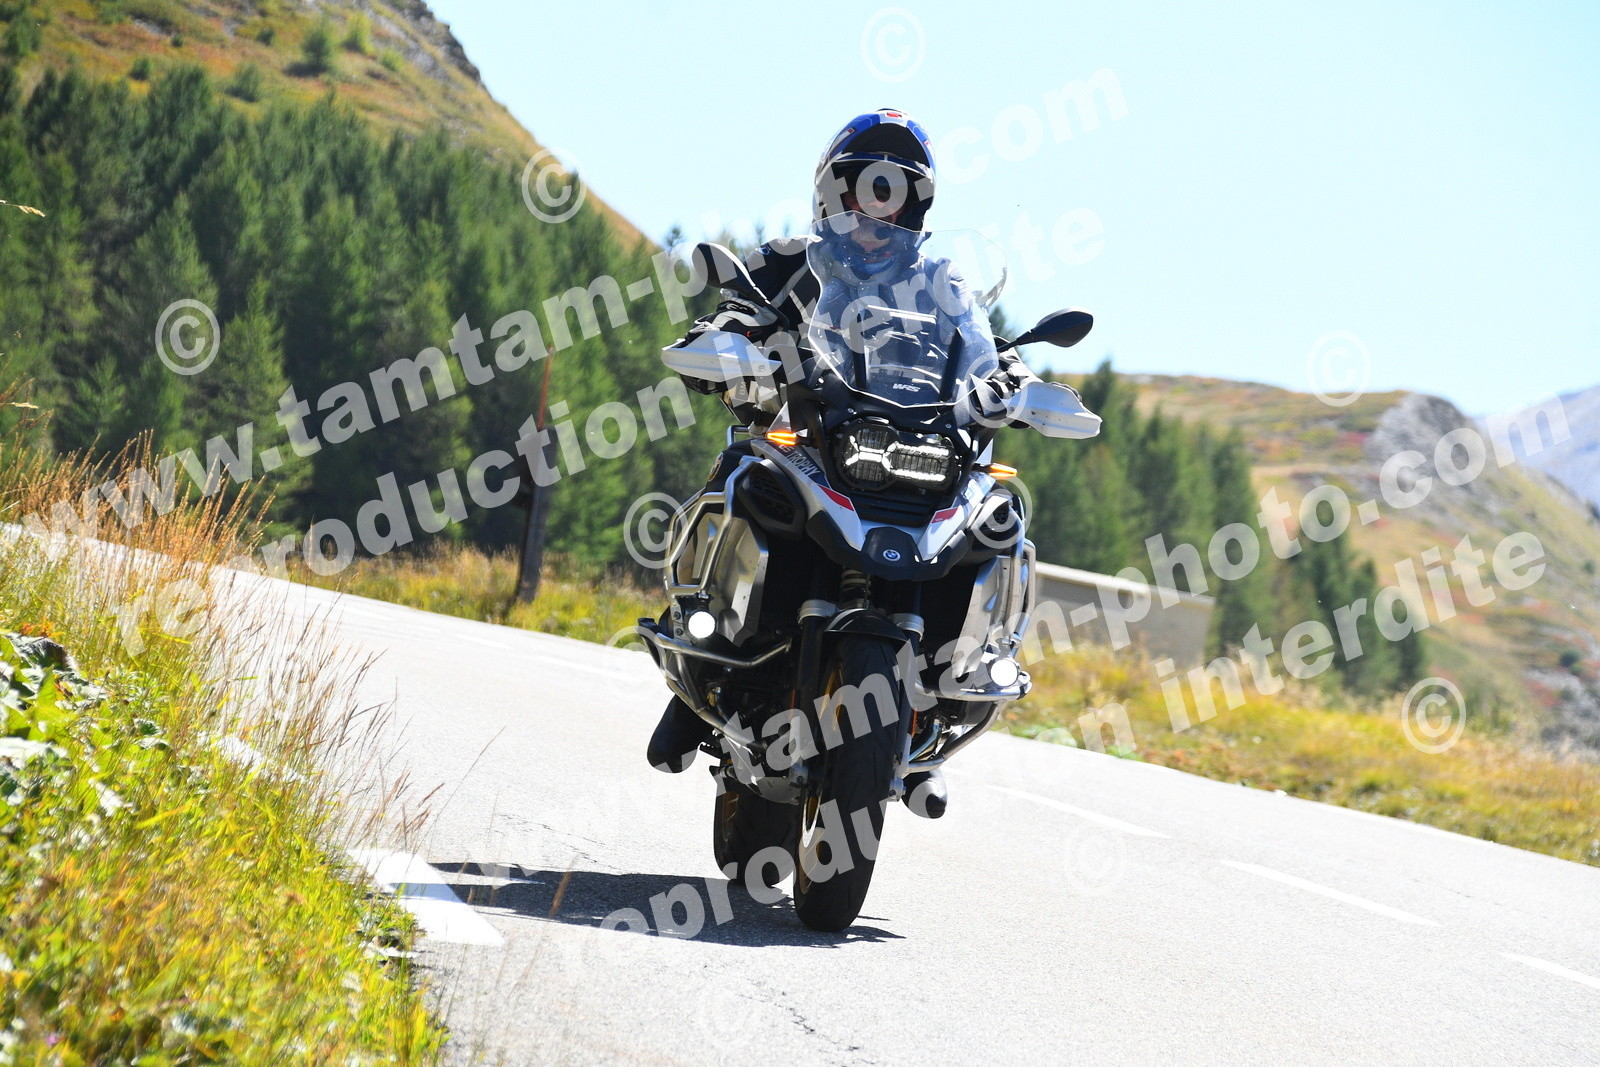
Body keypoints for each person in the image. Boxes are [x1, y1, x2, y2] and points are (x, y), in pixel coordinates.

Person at [646, 109, 1041, 820]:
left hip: (918, 455)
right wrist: (728, 343)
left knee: (994, 514)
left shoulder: (943, 282)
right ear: (834, 190)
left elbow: (985, 350)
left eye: (895, 192)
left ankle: (934, 703)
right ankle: (702, 650)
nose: (876, 207)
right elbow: (735, 312)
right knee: (741, 471)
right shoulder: (788, 261)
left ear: (917, 205)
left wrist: (1014, 383)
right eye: (863, 187)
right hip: (808, 439)